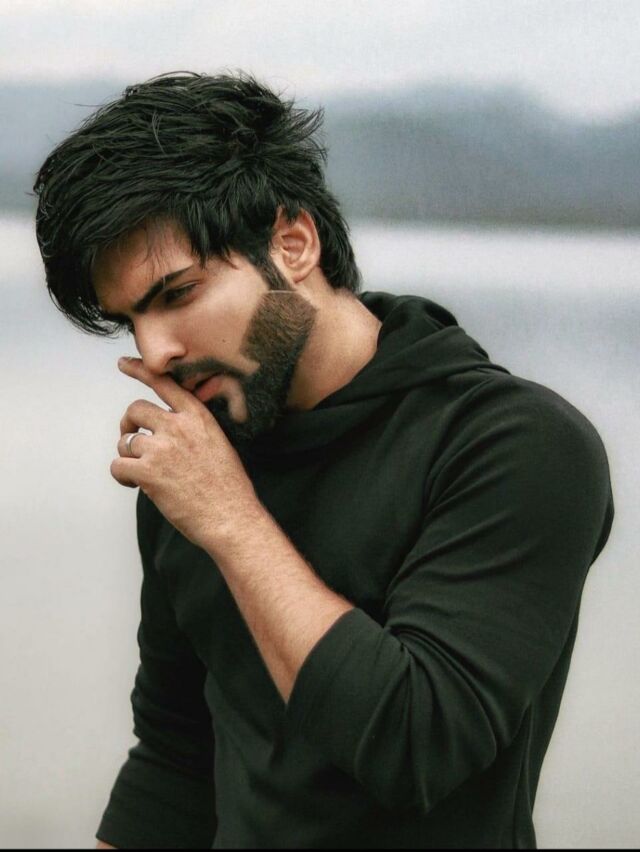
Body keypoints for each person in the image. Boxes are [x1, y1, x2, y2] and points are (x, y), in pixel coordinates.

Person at [33, 72, 614, 850]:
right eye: (129, 319)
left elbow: (418, 744)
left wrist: (231, 521)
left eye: (177, 294)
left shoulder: (515, 444)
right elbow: (175, 763)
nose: (155, 350)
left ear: (293, 244)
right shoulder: (199, 463)